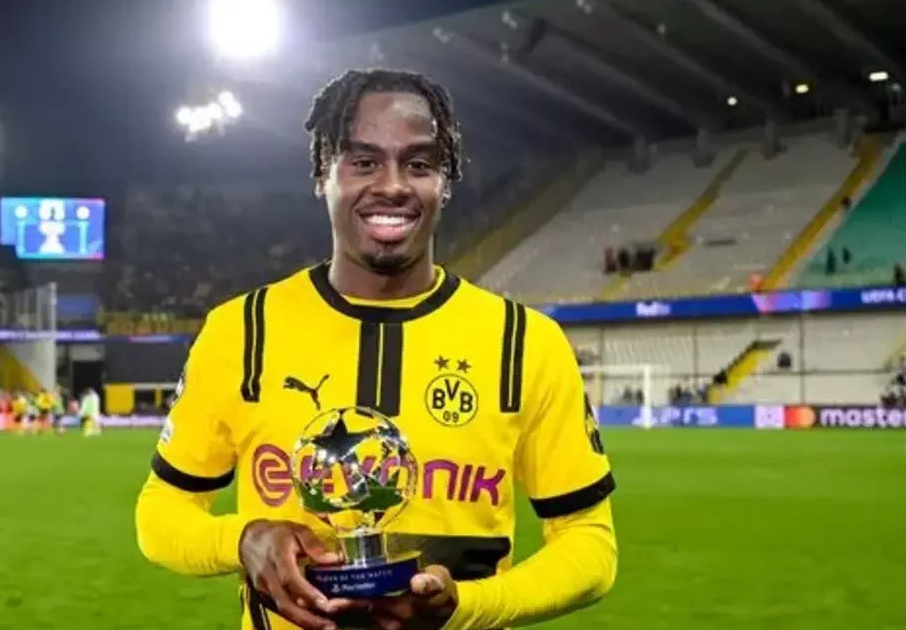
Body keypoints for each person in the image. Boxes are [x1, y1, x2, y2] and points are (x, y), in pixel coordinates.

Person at [134, 69, 618, 630]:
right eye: (363, 162)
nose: (392, 185)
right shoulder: (241, 330)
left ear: (446, 182)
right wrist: (242, 539)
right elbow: (160, 513)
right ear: (322, 174)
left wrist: (466, 607)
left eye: (419, 164)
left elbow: (590, 545)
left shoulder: (525, 341)